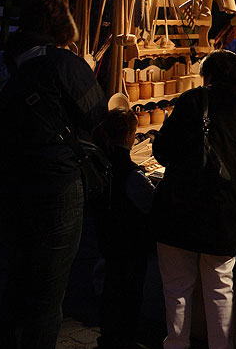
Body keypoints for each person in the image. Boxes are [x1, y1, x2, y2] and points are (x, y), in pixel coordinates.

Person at [0, 0, 106, 349]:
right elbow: (96, 115)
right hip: (54, 185)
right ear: (59, 26)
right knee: (49, 290)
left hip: (6, 181)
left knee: (19, 275)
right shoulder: (63, 63)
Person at [149, 50, 236, 349]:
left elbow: (162, 151)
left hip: (179, 211)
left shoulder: (193, 101)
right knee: (220, 291)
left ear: (209, 76)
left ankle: (176, 344)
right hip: (225, 217)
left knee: (177, 289)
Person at [92, 108, 156, 349]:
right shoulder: (131, 174)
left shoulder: (102, 165)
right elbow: (152, 205)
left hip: (108, 242)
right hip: (129, 247)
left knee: (112, 293)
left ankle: (110, 338)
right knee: (128, 298)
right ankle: (121, 341)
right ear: (131, 135)